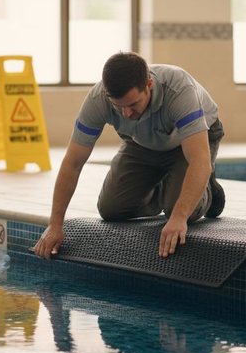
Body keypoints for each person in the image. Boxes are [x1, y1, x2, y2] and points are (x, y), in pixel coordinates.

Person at [33, 51, 224, 259]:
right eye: (118, 107)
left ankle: (208, 191)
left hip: (188, 143)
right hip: (143, 141)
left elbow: (199, 160)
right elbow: (73, 163)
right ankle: (168, 189)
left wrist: (179, 217)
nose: (126, 114)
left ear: (149, 85)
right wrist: (55, 224)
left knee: (179, 212)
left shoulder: (178, 90)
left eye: (133, 104)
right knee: (110, 209)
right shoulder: (98, 100)